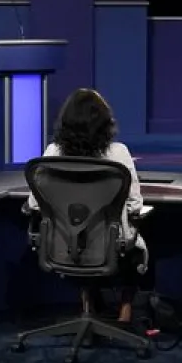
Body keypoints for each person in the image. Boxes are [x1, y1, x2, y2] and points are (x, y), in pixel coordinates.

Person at [25, 88, 149, 324]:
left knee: (78, 231)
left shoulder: (52, 153)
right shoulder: (118, 153)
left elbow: (34, 204)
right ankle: (125, 310)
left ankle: (88, 305)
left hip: (62, 245)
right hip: (111, 245)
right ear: (105, 121)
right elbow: (135, 204)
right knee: (134, 231)